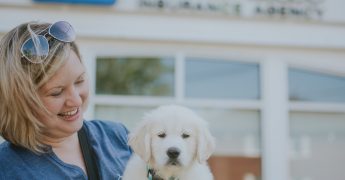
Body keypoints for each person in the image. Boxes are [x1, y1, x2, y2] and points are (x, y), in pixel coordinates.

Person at [0, 21, 132, 180]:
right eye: (56, 92)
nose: (76, 101)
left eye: (79, 81)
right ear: (20, 99)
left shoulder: (117, 137)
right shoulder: (7, 169)